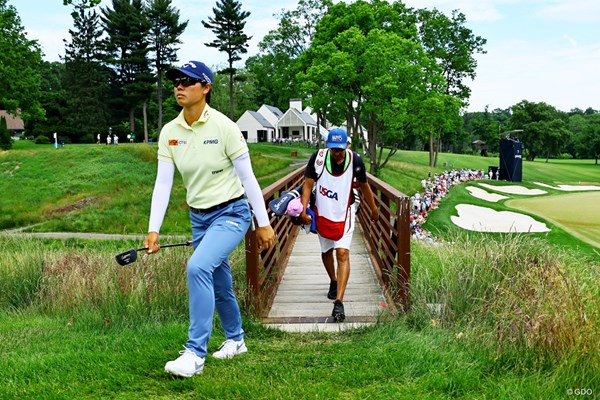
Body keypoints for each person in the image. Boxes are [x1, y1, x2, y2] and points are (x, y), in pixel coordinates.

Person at [143, 60, 275, 378]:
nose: (179, 86)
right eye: (176, 80)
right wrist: (153, 229)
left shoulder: (225, 127)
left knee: (198, 267)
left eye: (187, 81)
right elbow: (163, 182)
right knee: (219, 281)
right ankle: (236, 339)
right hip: (199, 218)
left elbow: (249, 179)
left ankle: (195, 354)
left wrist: (263, 222)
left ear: (206, 88)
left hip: (231, 212)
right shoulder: (169, 133)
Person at [298, 128, 378, 322]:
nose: (337, 153)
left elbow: (365, 185)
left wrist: (374, 209)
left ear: (346, 146)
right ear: (328, 147)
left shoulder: (355, 161)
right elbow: (307, 185)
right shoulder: (317, 159)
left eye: (340, 149)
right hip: (324, 211)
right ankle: (333, 281)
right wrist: (302, 210)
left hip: (346, 211)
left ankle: (339, 303)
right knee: (326, 252)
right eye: (333, 149)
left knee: (342, 253)